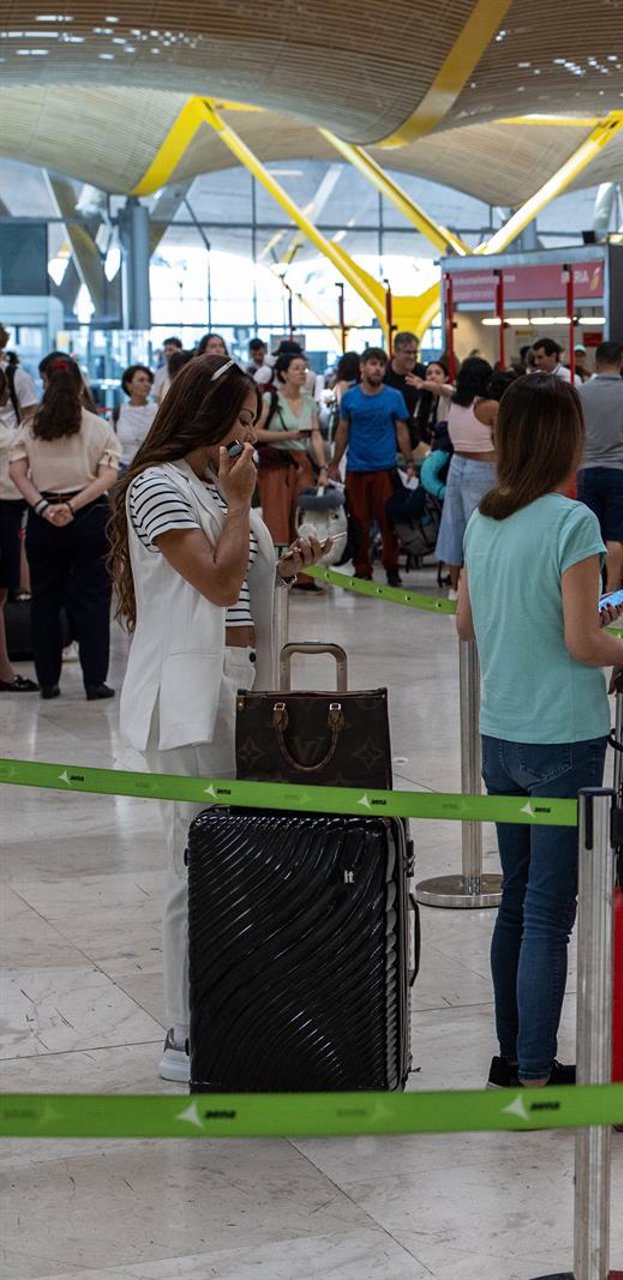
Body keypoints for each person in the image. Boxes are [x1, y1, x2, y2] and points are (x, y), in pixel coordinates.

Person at [107, 352, 327, 1082]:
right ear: (203, 416)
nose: (248, 434)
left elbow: (247, 578)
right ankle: (184, 1030)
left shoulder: (208, 481)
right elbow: (214, 580)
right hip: (192, 693)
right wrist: (240, 506)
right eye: (238, 419)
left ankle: (235, 1009)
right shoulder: (157, 485)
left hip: (244, 683)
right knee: (194, 856)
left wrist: (288, 558)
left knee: (235, 855)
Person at [455, 373, 623, 1090]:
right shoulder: (572, 524)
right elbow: (581, 644)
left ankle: (512, 1057)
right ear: (563, 438)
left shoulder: (486, 518)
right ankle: (539, 1067)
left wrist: (577, 619)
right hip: (560, 738)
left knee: (517, 899)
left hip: (501, 735)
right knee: (549, 910)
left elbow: (467, 624)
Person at [7, 357, 120, 700]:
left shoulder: (31, 426)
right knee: (93, 599)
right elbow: (108, 477)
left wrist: (43, 507)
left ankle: (48, 681)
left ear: (45, 383)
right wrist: (72, 506)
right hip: (88, 517)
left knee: (44, 599)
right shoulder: (98, 426)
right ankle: (94, 682)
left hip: (43, 518)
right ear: (80, 384)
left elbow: (16, 473)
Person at [325, 346, 411, 586]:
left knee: (388, 524)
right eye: (373, 364)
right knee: (359, 523)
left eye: (381, 365)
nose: (377, 369)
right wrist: (334, 463)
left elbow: (401, 430)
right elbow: (342, 431)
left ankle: (392, 569)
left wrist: (409, 462)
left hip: (385, 468)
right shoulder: (350, 397)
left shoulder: (394, 397)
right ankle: (362, 569)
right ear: (362, 367)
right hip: (356, 469)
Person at [574, 342, 623, 593]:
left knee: (589, 535)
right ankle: (613, 592)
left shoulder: (581, 392)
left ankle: (591, 590)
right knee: (616, 535)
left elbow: (576, 430)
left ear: (596, 363)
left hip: (588, 468)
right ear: (621, 363)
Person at [251, 351, 325, 587]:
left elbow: (315, 437)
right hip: (275, 464)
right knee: (276, 519)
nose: (303, 372)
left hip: (301, 463)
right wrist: (289, 435)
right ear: (283, 373)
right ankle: (275, 572)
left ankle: (305, 575)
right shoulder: (270, 400)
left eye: (304, 368)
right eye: (296, 368)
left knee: (302, 519)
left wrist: (323, 467)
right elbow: (256, 432)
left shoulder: (310, 402)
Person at [434, 356, 498, 590]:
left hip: (456, 464)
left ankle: (455, 584)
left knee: (453, 525)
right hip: (483, 469)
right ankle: (480, 585)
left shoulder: (455, 404)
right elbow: (503, 443)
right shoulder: (490, 407)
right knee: (482, 528)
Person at [0, 325, 38, 690]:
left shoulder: (16, 378)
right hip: (8, 496)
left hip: (9, 498)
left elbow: (30, 428)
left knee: (3, 589)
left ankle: (5, 670)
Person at [114, 364, 159, 461]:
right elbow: (111, 445)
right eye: (141, 380)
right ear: (129, 385)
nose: (147, 384)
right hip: (123, 468)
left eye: (149, 381)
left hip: (151, 468)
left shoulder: (158, 410)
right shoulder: (118, 412)